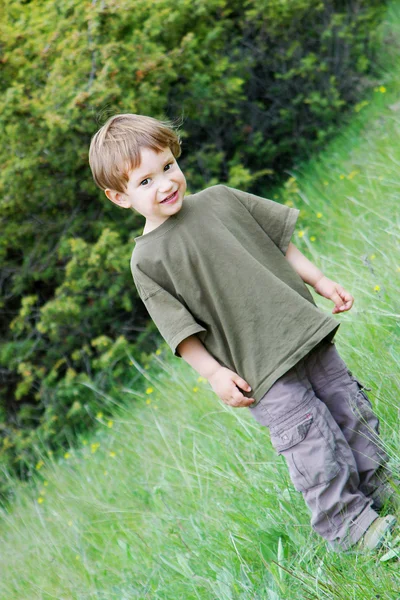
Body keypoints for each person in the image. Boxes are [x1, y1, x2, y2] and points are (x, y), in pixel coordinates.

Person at [88, 113, 398, 553]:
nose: (165, 183)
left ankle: (381, 489)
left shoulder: (220, 199)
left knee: (349, 409)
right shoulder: (147, 260)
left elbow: (279, 242)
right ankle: (349, 526)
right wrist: (215, 375)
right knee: (310, 442)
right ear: (119, 197)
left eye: (167, 167)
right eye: (145, 181)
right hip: (258, 368)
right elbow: (180, 332)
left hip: (301, 331)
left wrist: (322, 281)